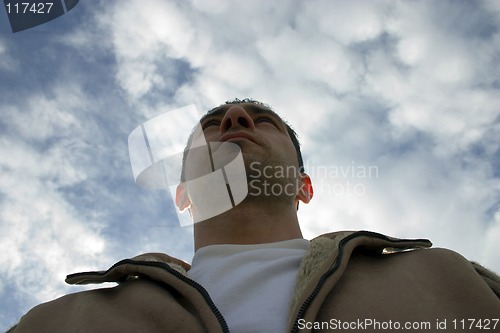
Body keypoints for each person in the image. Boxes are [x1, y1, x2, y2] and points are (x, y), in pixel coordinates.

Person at [9, 99, 500, 333]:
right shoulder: (57, 323)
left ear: (305, 187)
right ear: (182, 195)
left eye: (261, 120)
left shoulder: (451, 278)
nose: (234, 122)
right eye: (210, 126)